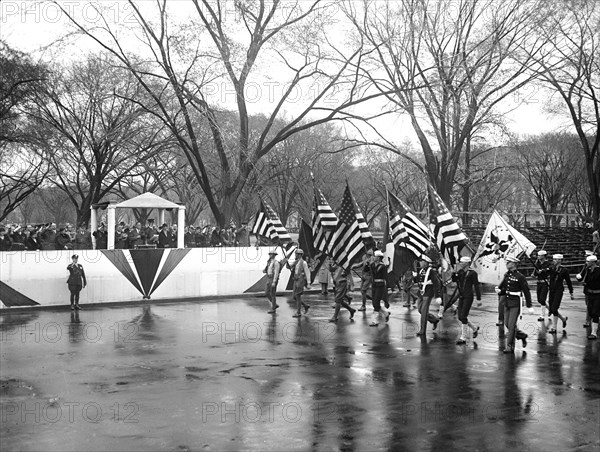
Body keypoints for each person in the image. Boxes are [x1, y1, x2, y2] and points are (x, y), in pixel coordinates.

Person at [497, 256, 533, 353]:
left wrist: (529, 305)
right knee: (507, 324)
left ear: (513, 264)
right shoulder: (507, 275)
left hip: (515, 303)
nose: (506, 264)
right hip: (507, 302)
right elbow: (505, 288)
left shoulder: (520, 277)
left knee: (511, 325)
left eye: (508, 262)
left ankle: (510, 346)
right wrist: (500, 291)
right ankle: (521, 335)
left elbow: (526, 291)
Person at [452, 256, 482, 345]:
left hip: (468, 296)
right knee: (460, 317)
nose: (460, 264)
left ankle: (463, 337)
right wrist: (454, 274)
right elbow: (455, 280)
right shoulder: (460, 272)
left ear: (467, 263)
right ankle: (474, 328)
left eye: (462, 262)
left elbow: (476, 285)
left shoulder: (473, 273)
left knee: (463, 316)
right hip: (461, 296)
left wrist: (479, 299)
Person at [415, 255, 441, 335]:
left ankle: (422, 330)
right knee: (419, 309)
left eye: (422, 261)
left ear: (426, 263)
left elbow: (436, 283)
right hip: (421, 293)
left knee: (423, 311)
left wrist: (437, 295)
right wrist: (414, 277)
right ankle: (434, 320)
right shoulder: (421, 270)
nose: (420, 262)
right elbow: (419, 281)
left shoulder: (431, 271)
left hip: (428, 293)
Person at [547, 254, 573, 334]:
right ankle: (563, 319)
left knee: (554, 308)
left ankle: (554, 327)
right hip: (551, 290)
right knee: (552, 308)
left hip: (559, 290)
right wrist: (539, 272)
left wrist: (571, 292)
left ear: (559, 260)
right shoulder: (551, 268)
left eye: (555, 260)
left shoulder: (564, 270)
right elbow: (544, 273)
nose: (553, 261)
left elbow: (568, 281)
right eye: (553, 259)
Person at [578, 255, 600, 339]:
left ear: (593, 262)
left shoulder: (598, 271)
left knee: (595, 313)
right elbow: (582, 279)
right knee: (590, 311)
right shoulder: (587, 270)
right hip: (590, 294)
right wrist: (579, 278)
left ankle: (594, 333)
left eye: (588, 261)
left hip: (598, 294)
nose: (586, 263)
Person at [287, 249, 311, 318]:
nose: (296, 255)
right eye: (295, 254)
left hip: (300, 280)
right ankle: (305, 306)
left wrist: (308, 283)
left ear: (300, 255)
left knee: (298, 296)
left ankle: (298, 312)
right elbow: (288, 267)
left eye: (297, 254)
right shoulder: (296, 262)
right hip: (295, 280)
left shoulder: (304, 263)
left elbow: (307, 273)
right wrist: (286, 262)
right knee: (294, 296)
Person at [369, 250, 390, 326]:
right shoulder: (372, 265)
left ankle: (375, 320)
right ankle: (386, 313)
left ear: (378, 258)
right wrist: (366, 264)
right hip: (374, 285)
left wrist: (387, 287)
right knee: (374, 303)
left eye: (375, 256)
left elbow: (385, 277)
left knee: (376, 302)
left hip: (380, 285)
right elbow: (366, 271)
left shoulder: (383, 266)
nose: (373, 257)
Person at [533, 250, 551, 321]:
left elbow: (549, 270)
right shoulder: (537, 264)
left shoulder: (547, 263)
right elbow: (536, 274)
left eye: (539, 255)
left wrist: (543, 270)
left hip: (545, 283)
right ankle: (550, 310)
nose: (538, 257)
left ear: (543, 256)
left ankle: (542, 315)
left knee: (542, 299)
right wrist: (535, 274)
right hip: (539, 282)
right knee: (539, 300)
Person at [264, 249, 281, 314]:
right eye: (270, 254)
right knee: (266, 292)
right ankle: (274, 304)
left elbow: (276, 273)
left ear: (274, 255)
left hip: (273, 278)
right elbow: (268, 269)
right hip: (269, 278)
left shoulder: (276, 263)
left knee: (273, 294)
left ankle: (273, 308)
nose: (270, 255)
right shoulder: (269, 262)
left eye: (271, 254)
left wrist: (274, 281)